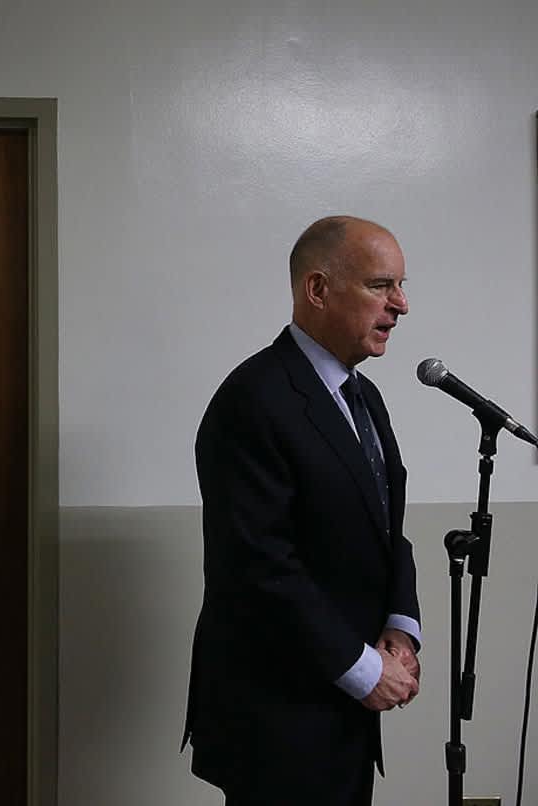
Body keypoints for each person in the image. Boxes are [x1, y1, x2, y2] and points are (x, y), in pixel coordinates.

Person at [182, 217, 422, 806]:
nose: (401, 304)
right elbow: (259, 567)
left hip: (345, 709)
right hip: (278, 715)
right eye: (380, 285)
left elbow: (386, 526)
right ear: (317, 290)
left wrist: (400, 625)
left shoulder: (364, 397)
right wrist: (364, 670)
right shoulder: (253, 399)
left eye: (400, 285)